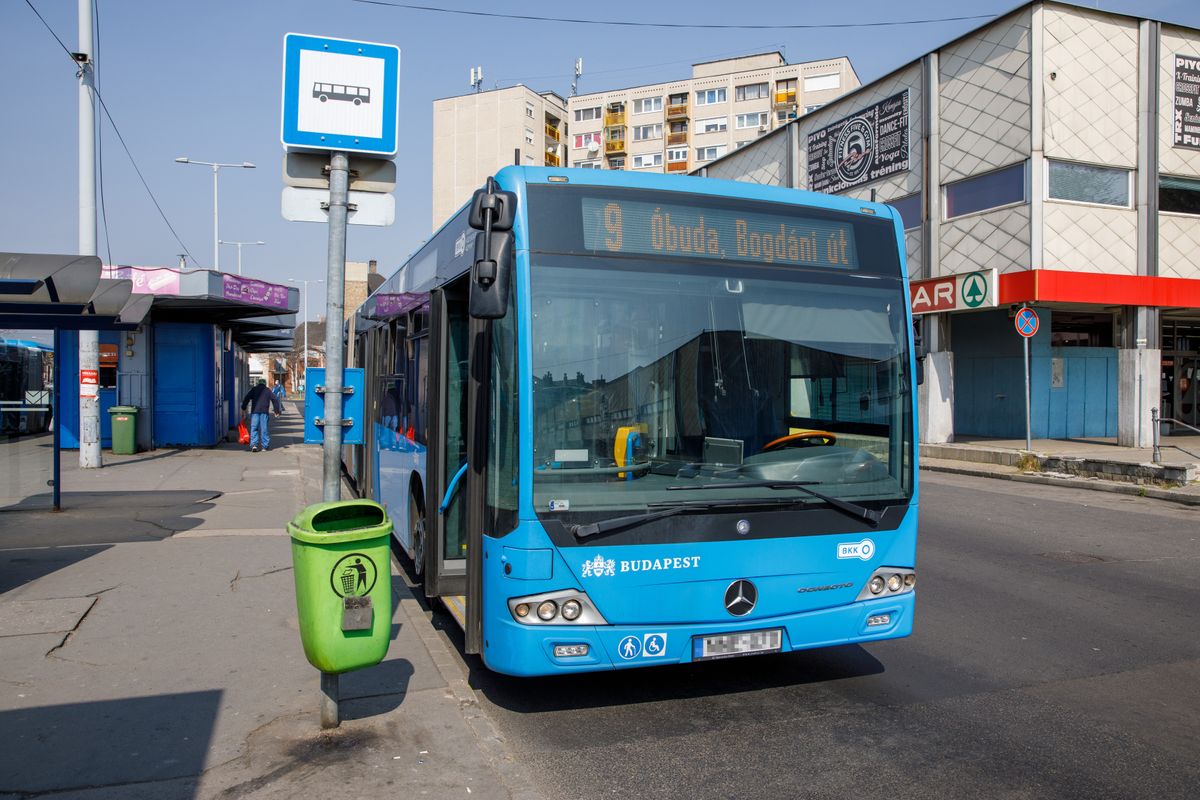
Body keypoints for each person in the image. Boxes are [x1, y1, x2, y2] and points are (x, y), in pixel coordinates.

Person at [241, 378, 283, 452]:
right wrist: (277, 411)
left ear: (258, 383)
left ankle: (254, 445)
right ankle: (265, 446)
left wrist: (243, 407)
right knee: (264, 429)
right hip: (264, 412)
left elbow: (247, 398)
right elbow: (275, 400)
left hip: (255, 411)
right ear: (265, 383)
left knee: (254, 428)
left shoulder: (254, 389)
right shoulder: (267, 390)